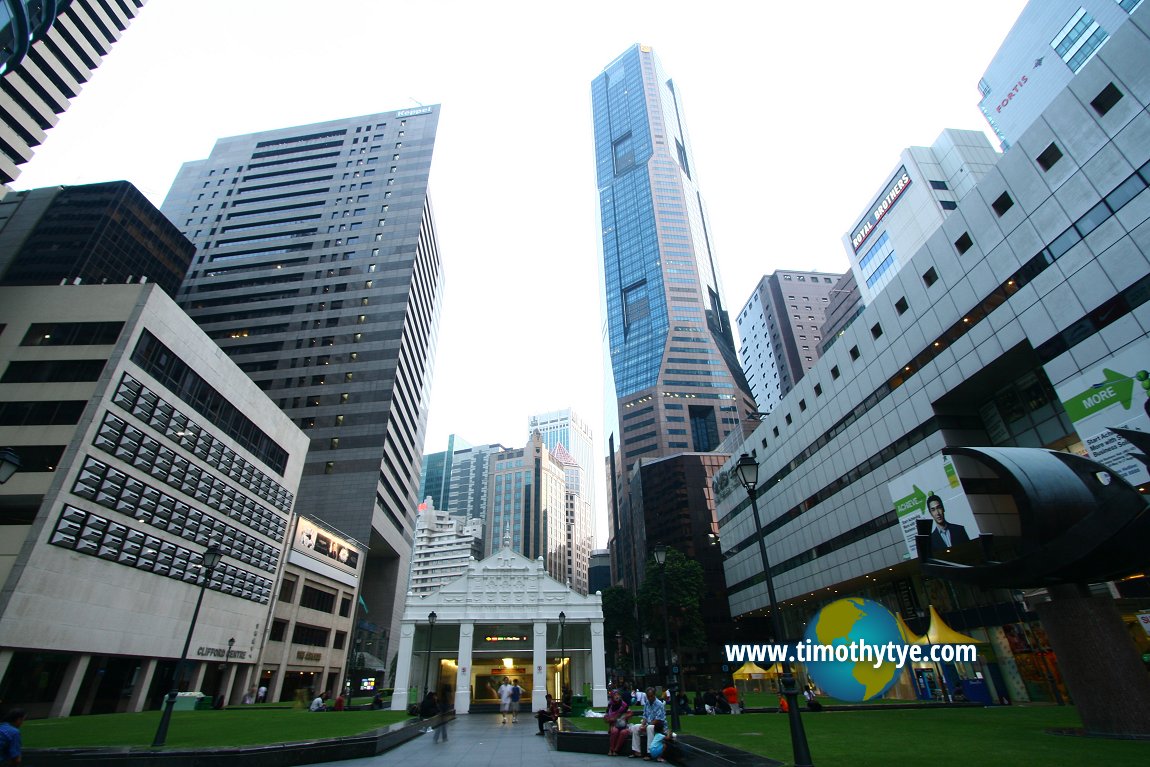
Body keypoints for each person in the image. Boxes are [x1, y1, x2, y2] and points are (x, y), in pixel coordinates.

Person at [628, 687, 666, 758]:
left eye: (651, 696)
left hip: (658, 727)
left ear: (654, 695)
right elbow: (645, 716)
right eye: (648, 696)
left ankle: (649, 753)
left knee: (649, 727)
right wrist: (642, 725)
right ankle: (636, 751)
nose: (650, 698)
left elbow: (658, 720)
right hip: (648, 724)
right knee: (636, 727)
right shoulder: (647, 703)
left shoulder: (659, 704)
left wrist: (646, 725)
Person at [605, 689, 631, 755]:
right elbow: (606, 715)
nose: (617, 697)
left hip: (623, 725)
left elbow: (630, 713)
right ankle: (611, 749)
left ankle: (616, 750)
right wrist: (609, 719)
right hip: (613, 725)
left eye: (618, 695)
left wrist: (624, 717)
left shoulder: (624, 705)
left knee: (623, 732)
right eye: (615, 695)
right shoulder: (610, 705)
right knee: (614, 731)